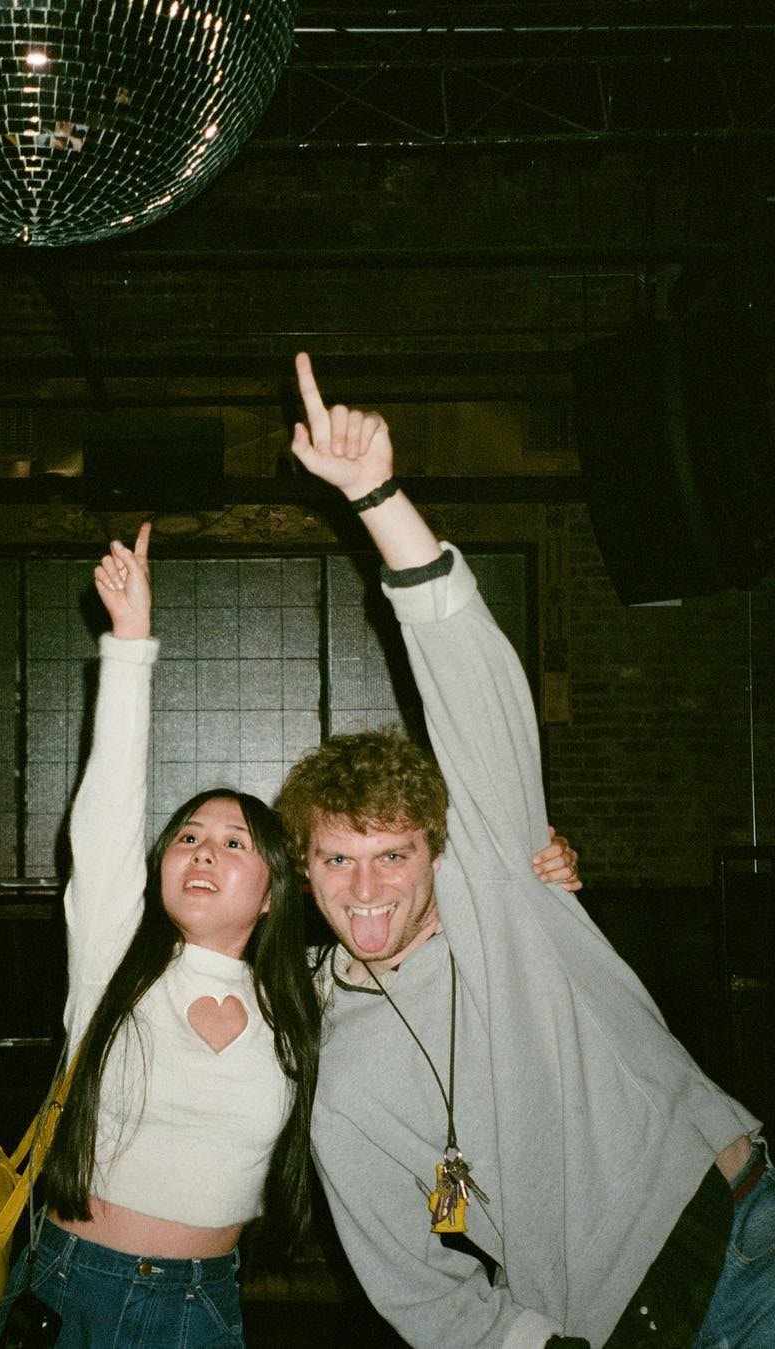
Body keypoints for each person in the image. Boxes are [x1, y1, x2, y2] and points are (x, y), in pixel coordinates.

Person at [277, 352, 772, 1348]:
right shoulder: (344, 1076)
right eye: (337, 859)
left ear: (438, 852)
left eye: (393, 854)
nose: (366, 886)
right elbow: (421, 1286)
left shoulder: (497, 886)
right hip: (658, 1316)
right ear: (304, 867)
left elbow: (472, 682)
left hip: (751, 1195)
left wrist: (376, 498)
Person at [0, 520, 579, 1349]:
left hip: (203, 1306)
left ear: (275, 890)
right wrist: (129, 643)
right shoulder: (113, 962)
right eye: (188, 835)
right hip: (66, 1289)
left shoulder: (309, 994)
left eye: (235, 842)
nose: (204, 850)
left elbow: (402, 912)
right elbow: (106, 819)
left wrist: (529, 875)